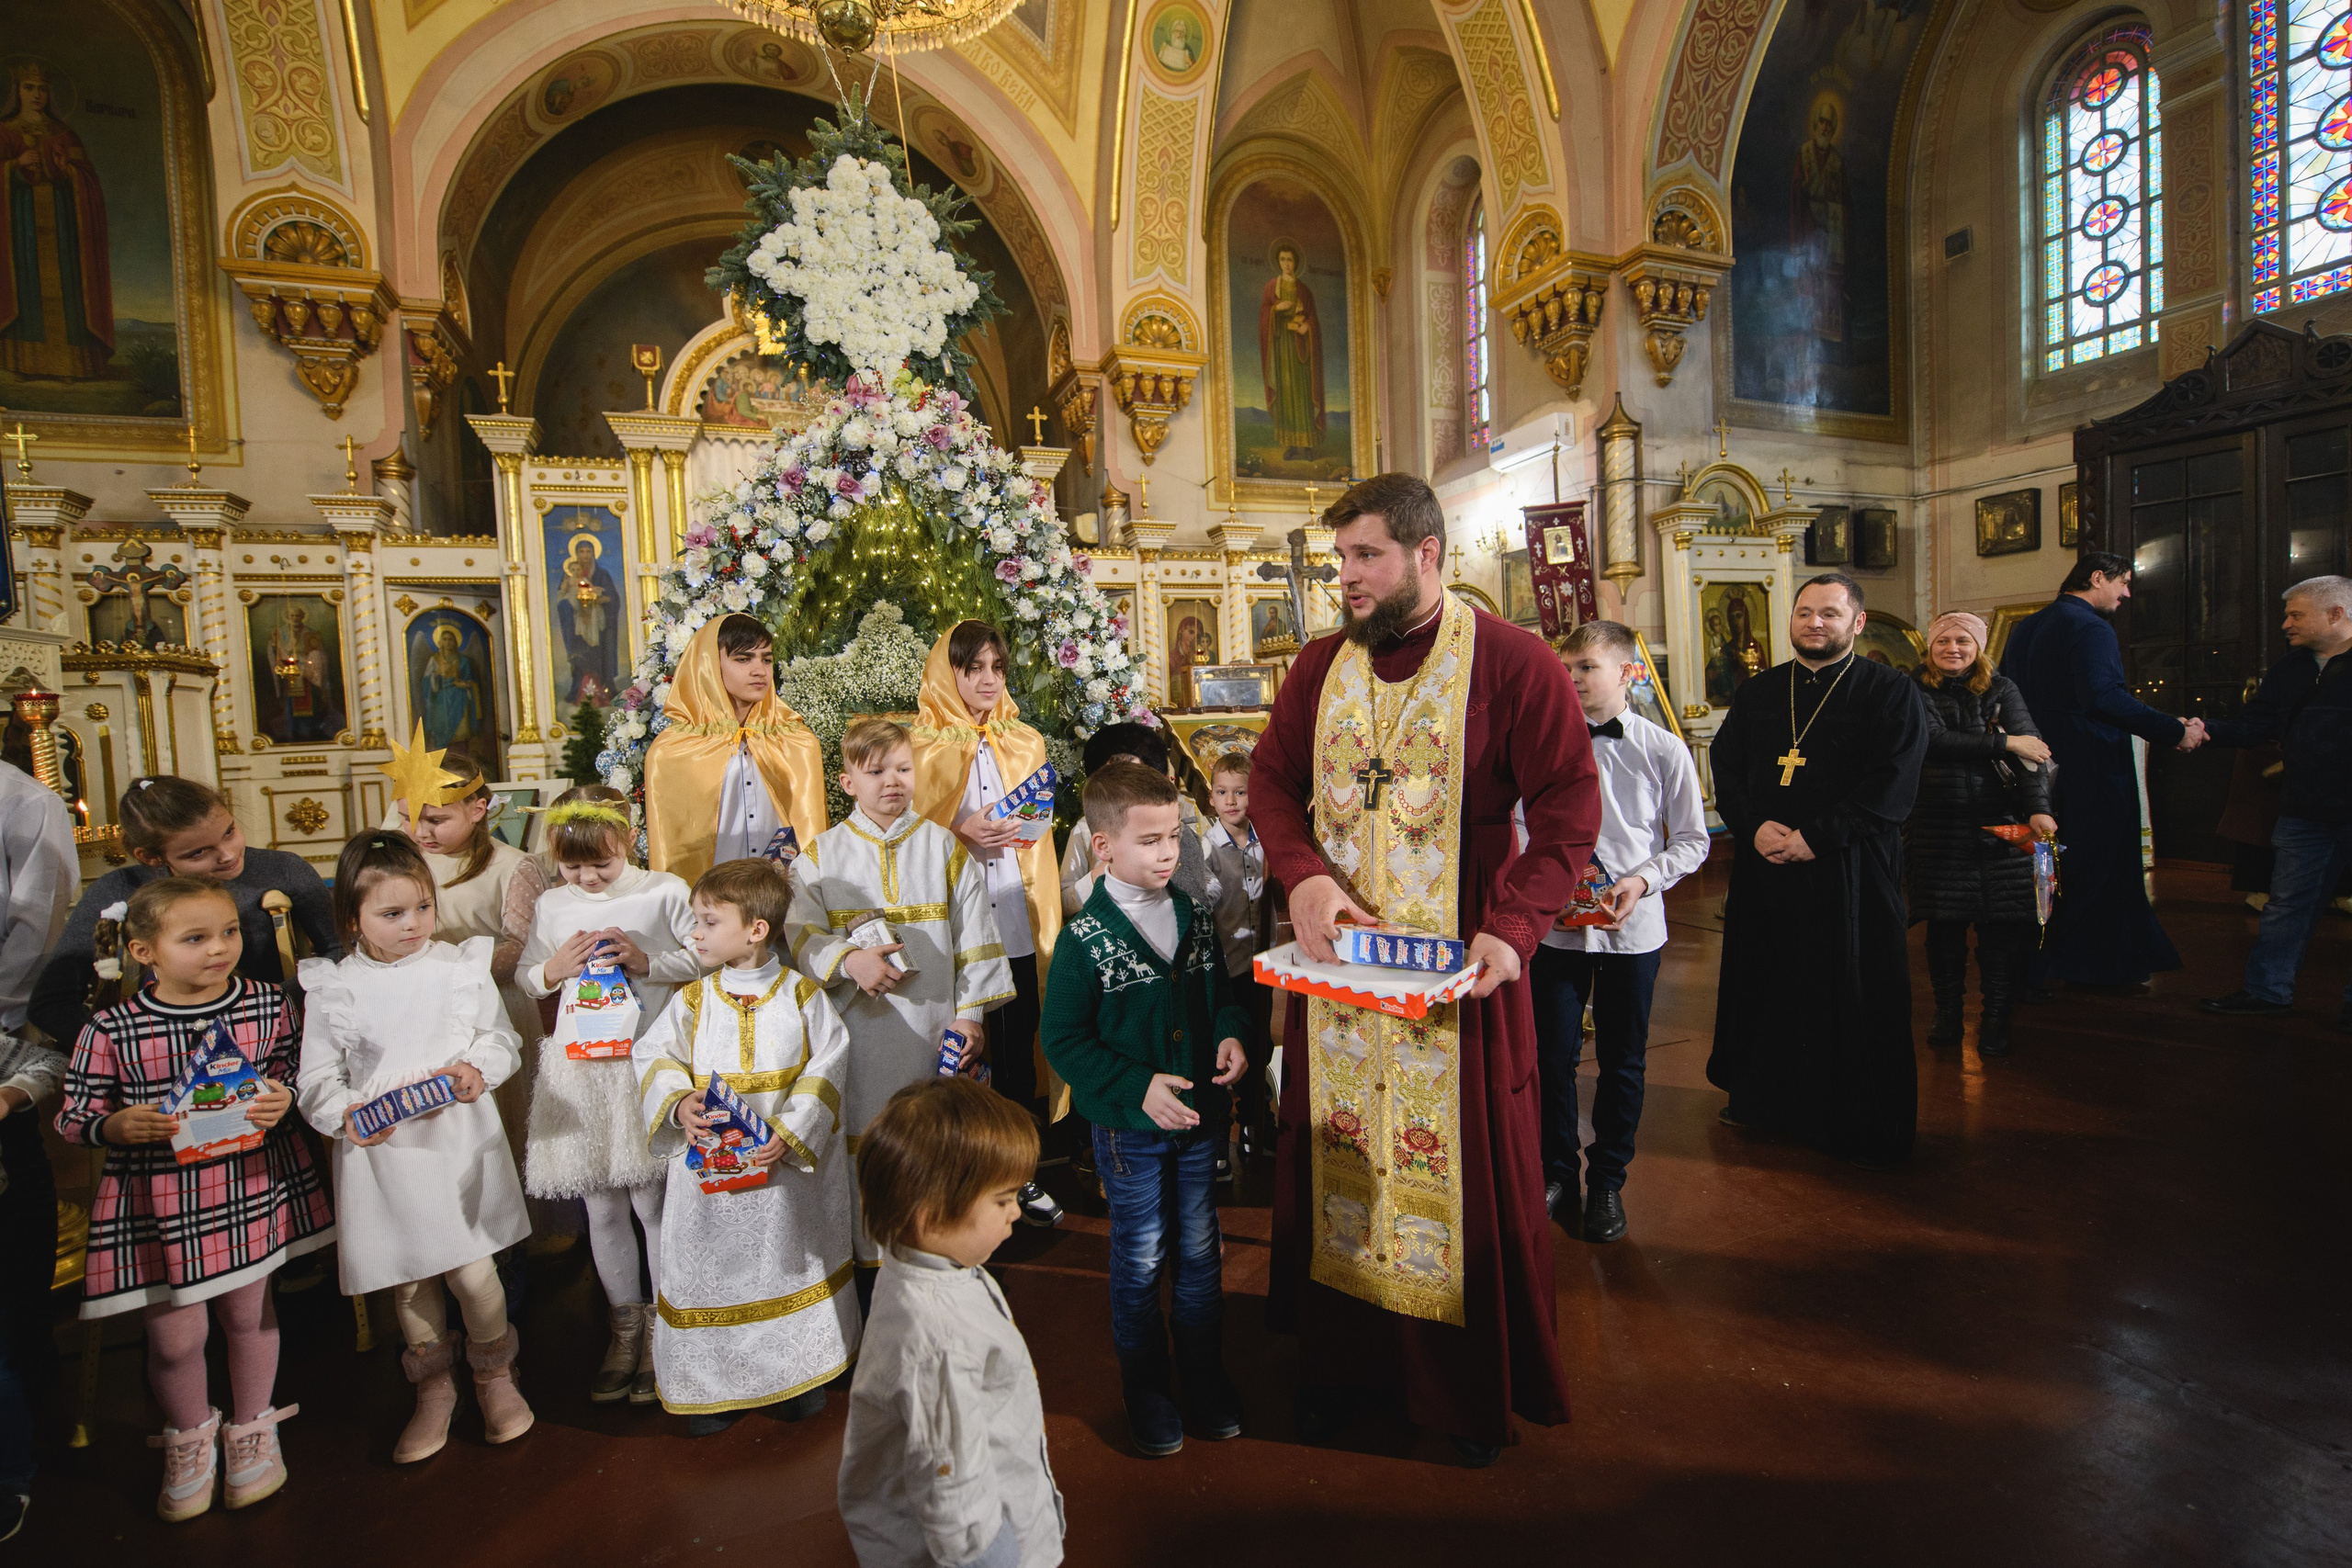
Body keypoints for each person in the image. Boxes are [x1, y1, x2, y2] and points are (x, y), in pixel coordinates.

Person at [1250, 472, 1601, 1467]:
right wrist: (1305, 878)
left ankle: (1453, 1395)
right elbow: (1273, 782)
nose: (1347, 579)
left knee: (1458, 1185)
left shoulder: (1514, 663)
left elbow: (1572, 807)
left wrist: (1513, 928)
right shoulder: (1321, 667)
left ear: (1428, 553)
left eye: (1366, 557)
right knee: (1338, 1162)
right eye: (1340, 560)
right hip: (1340, 989)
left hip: (1460, 993)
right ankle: (1338, 1368)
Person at [54, 878, 334, 1520]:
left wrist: (283, 1098)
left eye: (229, 932)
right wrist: (115, 1124)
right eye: (195, 938)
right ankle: (187, 1437)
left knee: (249, 1314)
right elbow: (75, 1116)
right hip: (161, 1201)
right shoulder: (112, 1026)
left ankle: (254, 1427)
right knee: (177, 1335)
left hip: (248, 1187)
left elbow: (295, 1070)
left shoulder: (267, 1004)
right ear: (144, 951)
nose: (219, 949)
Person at [296, 831, 532, 1464]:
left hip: (454, 1138)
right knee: (411, 1280)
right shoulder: (334, 987)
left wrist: (479, 1068)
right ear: (353, 918)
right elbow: (317, 1078)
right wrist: (344, 1115)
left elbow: (498, 1037)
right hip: (387, 1148)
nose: (412, 925)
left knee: (473, 1271)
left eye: (422, 908)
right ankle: (433, 1387)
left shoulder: (458, 968)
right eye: (392, 914)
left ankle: (494, 1374)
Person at [1041, 764, 1250, 1457]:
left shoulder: (1188, 915)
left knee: (1198, 1255)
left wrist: (1230, 1032)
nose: (1168, 853)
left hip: (1196, 1125)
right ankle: (1147, 1384)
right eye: (1150, 840)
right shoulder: (1084, 941)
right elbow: (1063, 1039)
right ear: (1103, 846)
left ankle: (1204, 1370)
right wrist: (1137, 1087)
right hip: (1130, 1134)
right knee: (1138, 1261)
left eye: (1174, 838)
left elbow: (1220, 989)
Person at [1707, 573, 1928, 1168]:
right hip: (1766, 869)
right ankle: (1763, 1101)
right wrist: (1750, 825)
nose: (1815, 623)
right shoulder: (1759, 692)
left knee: (1851, 991)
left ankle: (1853, 1119)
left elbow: (1895, 784)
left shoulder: (1890, 692)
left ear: (1856, 622)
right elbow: (1724, 763)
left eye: (1829, 613)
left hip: (1849, 871)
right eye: (1805, 612)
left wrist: (1816, 837)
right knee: (1768, 985)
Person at [786, 717, 1012, 1296]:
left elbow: (976, 938)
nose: (893, 781)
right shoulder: (821, 856)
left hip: (934, 1032)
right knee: (868, 1144)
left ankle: (940, 1261)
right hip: (857, 1039)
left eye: (904, 769)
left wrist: (970, 1016)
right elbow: (799, 936)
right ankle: (870, 1271)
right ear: (847, 782)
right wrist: (847, 962)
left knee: (935, 1144)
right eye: (876, 771)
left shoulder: (942, 846)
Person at [632, 858, 858, 1436]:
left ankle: (795, 1375)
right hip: (709, 1178)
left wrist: (790, 1130)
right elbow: (654, 1056)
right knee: (713, 1266)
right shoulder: (692, 1000)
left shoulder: (803, 996)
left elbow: (829, 1064)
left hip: (781, 1177)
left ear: (757, 929)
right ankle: (712, 1386)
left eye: (709, 922)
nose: (695, 934)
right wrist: (679, 1099)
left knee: (782, 1264)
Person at [514, 788, 697, 1404]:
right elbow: (527, 973)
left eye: (602, 864)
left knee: (650, 1200)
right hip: (581, 1069)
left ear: (629, 840)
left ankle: (667, 1331)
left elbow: (702, 956)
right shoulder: (551, 904)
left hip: (642, 1066)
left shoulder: (664, 890)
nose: (588, 877)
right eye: (573, 867)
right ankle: (625, 1326)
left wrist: (648, 959)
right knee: (601, 1205)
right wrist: (552, 969)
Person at [837, 1077, 1062, 1568]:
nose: (1015, 1216)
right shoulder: (937, 1337)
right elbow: (954, 1493)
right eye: (1002, 1201)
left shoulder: (922, 1261)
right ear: (932, 1215)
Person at [1533, 621, 1710, 1244]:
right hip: (1554, 930)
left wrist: (1642, 880)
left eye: (1586, 666)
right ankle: (1558, 1173)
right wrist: (1538, 887)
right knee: (1551, 1057)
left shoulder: (1663, 749)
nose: (1573, 678)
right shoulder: (1542, 746)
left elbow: (1692, 839)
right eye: (1567, 666)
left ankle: (1608, 1180)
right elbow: (1519, 827)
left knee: (1623, 1060)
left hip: (1632, 928)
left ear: (1627, 672)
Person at [910, 620, 1065, 1228]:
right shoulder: (922, 745)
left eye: (997, 668)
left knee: (1018, 1052)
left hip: (1016, 922)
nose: (987, 680)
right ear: (948, 672)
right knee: (960, 1058)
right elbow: (902, 835)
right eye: (974, 668)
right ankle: (960, 1180)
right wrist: (957, 829)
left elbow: (1040, 828)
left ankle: (1020, 1176)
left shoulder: (1024, 741)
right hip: (955, 935)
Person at [1998, 551, 2205, 991]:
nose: (2127, 594)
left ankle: (2037, 965)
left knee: (2048, 868)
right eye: (2123, 583)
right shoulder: (2090, 626)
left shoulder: (2026, 627)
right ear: (2097, 578)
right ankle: (2094, 966)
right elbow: (2103, 699)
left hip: (2038, 767)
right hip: (2090, 765)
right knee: (2100, 865)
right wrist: (2174, 730)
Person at [31, 776, 342, 1052]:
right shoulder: (118, 889)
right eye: (198, 853)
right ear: (151, 857)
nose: (228, 854)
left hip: (268, 1042)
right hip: (158, 1051)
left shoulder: (284, 870)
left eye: (230, 832)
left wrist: (274, 1010)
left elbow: (341, 953)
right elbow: (51, 1001)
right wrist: (117, 1051)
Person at [2196, 576, 2352, 1030]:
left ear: (2336, 614)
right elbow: (2254, 727)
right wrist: (2199, 730)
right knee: (2286, 905)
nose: (2285, 624)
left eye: (2295, 615)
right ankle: (2268, 992)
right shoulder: (2290, 669)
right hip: (2305, 809)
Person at [1907, 612, 2057, 1059]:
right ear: (1930, 648)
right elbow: (1932, 740)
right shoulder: (1914, 687)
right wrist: (2004, 742)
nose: (1953, 648)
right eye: (1944, 641)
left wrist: (2038, 811)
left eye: (1963, 641)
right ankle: (1948, 1013)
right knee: (1945, 930)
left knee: (2000, 933)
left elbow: (2031, 753)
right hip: (1939, 826)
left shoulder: (2002, 688)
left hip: (2000, 828)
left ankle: (1995, 1018)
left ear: (1979, 647)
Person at [0, 756, 73, 1538]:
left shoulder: (21, 802)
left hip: (1, 1037)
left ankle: (15, 1447)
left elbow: (35, 925)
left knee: (13, 1284)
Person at [644, 613, 828, 886]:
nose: (760, 670)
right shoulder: (673, 751)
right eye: (743, 659)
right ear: (709, 666)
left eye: (766, 659)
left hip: (788, 905)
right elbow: (674, 854)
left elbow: (810, 836)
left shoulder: (796, 742)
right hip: (711, 906)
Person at [1202, 750, 1279, 1168]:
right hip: (1224, 968)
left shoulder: (1266, 842)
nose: (1231, 801)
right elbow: (1206, 892)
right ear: (1211, 798)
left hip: (1258, 966)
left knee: (1259, 1046)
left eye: (1241, 792)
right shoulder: (1205, 847)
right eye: (1222, 792)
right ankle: (1217, 1138)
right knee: (1220, 1050)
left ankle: (1256, 1123)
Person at [1058, 720, 1212, 910]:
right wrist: (1103, 873)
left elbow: (1207, 881)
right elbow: (1065, 900)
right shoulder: (1084, 830)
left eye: (1135, 777)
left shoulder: (1172, 823)